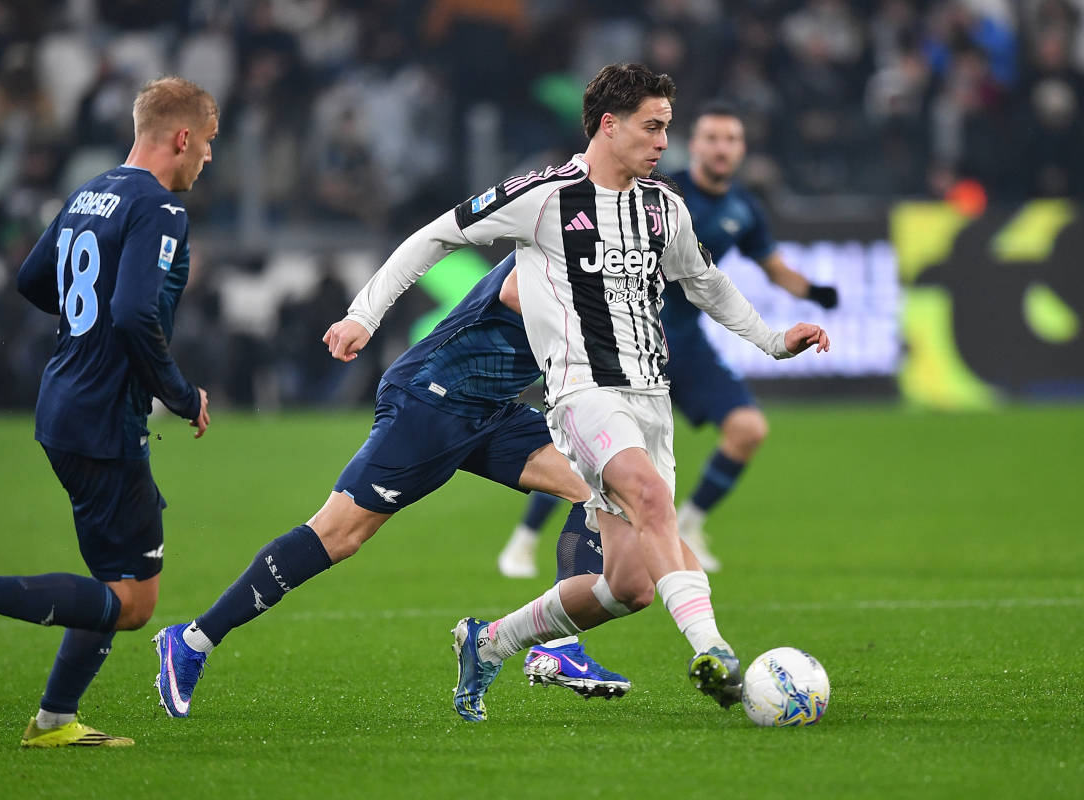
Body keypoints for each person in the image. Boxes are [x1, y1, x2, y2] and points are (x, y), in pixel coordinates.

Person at [319, 62, 828, 722]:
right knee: (649, 500)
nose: (663, 142)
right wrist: (365, 313)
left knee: (632, 584)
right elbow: (436, 236)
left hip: (650, 400)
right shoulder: (546, 194)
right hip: (582, 393)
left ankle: (492, 641)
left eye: (667, 128)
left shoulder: (662, 206)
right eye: (653, 127)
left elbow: (706, 285)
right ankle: (713, 651)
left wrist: (774, 341)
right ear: (609, 126)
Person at [153, 254, 633, 720]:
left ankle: (556, 646)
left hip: (492, 409)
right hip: (432, 401)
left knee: (597, 484)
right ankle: (193, 640)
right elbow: (515, 291)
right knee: (338, 535)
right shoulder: (566, 231)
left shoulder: (615, 257)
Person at [0, 77, 217, 748]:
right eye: (209, 143)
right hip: (105, 418)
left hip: (63, 402)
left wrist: (86, 327)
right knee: (135, 602)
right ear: (182, 137)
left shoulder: (91, 190)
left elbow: (30, 278)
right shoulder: (160, 210)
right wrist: (185, 395)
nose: (209, 158)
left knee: (112, 583)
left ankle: (53, 720)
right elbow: (133, 315)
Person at [498, 99, 839, 578]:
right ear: (693, 144)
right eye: (712, 138)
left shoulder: (743, 207)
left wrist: (818, 294)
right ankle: (523, 541)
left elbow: (769, 270)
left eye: (732, 139)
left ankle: (693, 524)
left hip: (684, 344)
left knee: (748, 429)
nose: (722, 149)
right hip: (619, 344)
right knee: (592, 459)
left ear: (742, 149)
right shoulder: (654, 189)